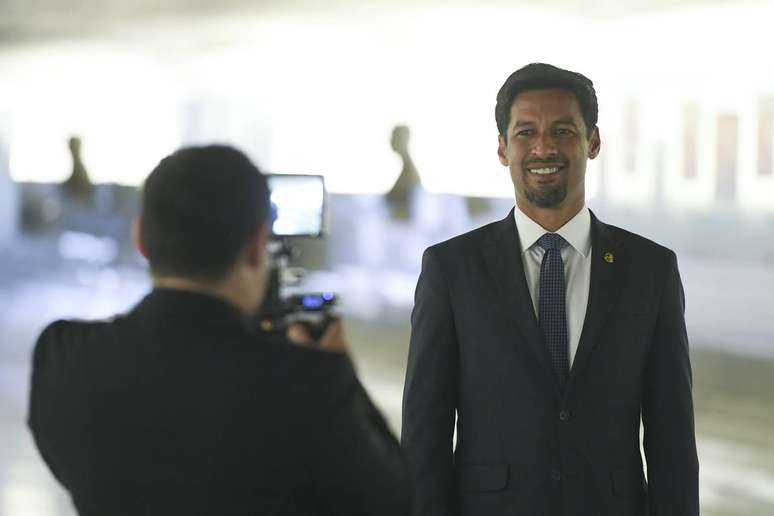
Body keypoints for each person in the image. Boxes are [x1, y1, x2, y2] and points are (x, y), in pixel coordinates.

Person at [28, 145, 411, 516]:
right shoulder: (307, 385)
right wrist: (338, 371)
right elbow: (399, 502)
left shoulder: (62, 358)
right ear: (258, 248)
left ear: (141, 238)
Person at [402, 63, 699, 516]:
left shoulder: (650, 270)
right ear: (503, 148)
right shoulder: (451, 270)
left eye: (562, 130)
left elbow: (672, 438)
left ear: (592, 142)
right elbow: (425, 435)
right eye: (525, 132)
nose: (543, 147)